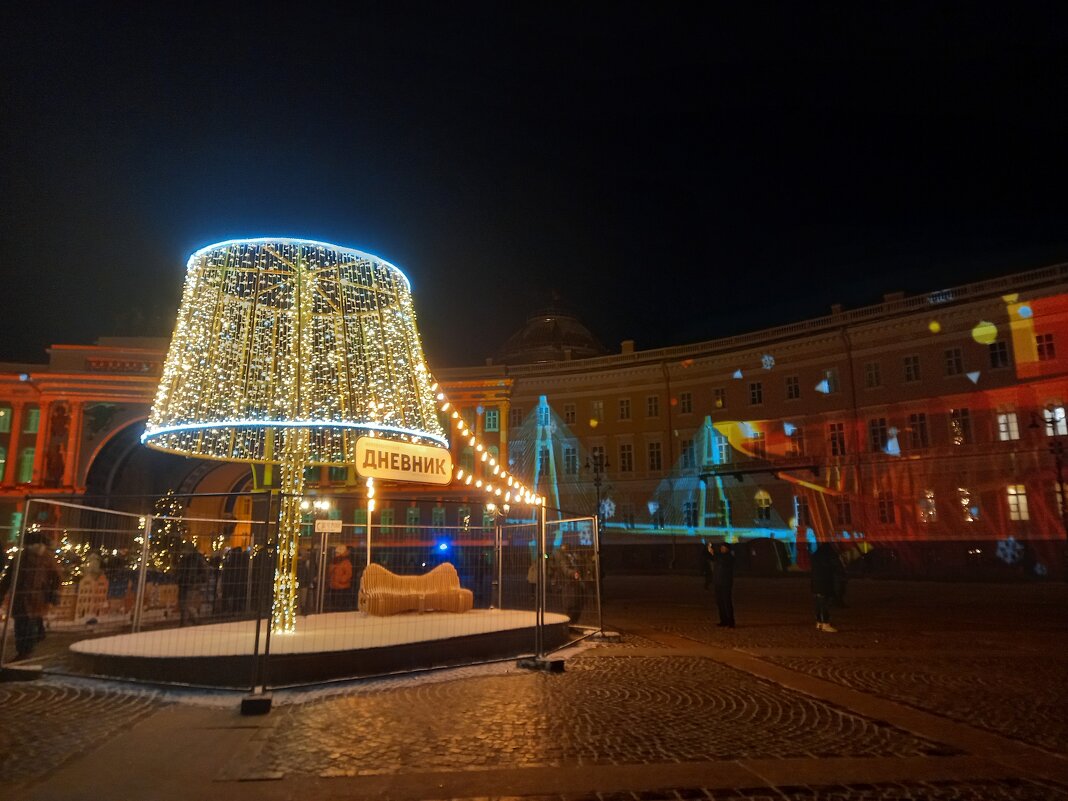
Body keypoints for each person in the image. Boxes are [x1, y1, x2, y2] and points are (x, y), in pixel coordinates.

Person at [0, 530, 62, 660]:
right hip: (23, 597)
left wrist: (54, 591)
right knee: (23, 624)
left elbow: (56, 577)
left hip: (34, 597)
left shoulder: (43, 557)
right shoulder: (22, 557)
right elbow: (8, 577)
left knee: (25, 625)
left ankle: (25, 653)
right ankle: (25, 650)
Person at [550, 541, 586, 623]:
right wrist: (573, 573)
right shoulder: (562, 556)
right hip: (568, 584)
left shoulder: (570, 555)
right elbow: (565, 568)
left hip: (575, 583)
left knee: (577, 605)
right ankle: (568, 627)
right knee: (571, 606)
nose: (567, 546)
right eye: (565, 545)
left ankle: (572, 626)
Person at [810, 542, 843, 632]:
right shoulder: (828, 556)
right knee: (824, 603)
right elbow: (837, 567)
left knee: (818, 603)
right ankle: (825, 623)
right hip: (825, 582)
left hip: (816, 582)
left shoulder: (816, 555)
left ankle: (819, 622)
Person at [175, 541, 208, 626]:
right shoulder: (184, 559)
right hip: (183, 584)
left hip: (192, 585)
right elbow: (179, 570)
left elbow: (204, 573)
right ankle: (185, 622)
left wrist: (195, 580)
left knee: (188, 605)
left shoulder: (197, 559)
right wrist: (179, 577)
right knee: (183, 604)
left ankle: (194, 621)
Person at [707, 542, 735, 628]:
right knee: (719, 602)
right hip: (718, 582)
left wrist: (713, 552)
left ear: (727, 549)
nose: (722, 549)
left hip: (726, 583)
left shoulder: (729, 557)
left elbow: (721, 559)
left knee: (727, 602)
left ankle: (731, 622)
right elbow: (713, 558)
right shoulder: (720, 556)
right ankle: (723, 620)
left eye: (724, 547)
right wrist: (710, 551)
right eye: (721, 547)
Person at [326, 544, 354, 611]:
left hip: (342, 587)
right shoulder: (333, 562)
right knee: (334, 603)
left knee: (341, 604)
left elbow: (348, 574)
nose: (336, 554)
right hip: (333, 586)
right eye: (336, 553)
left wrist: (341, 580)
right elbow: (329, 573)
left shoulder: (346, 562)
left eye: (338, 553)